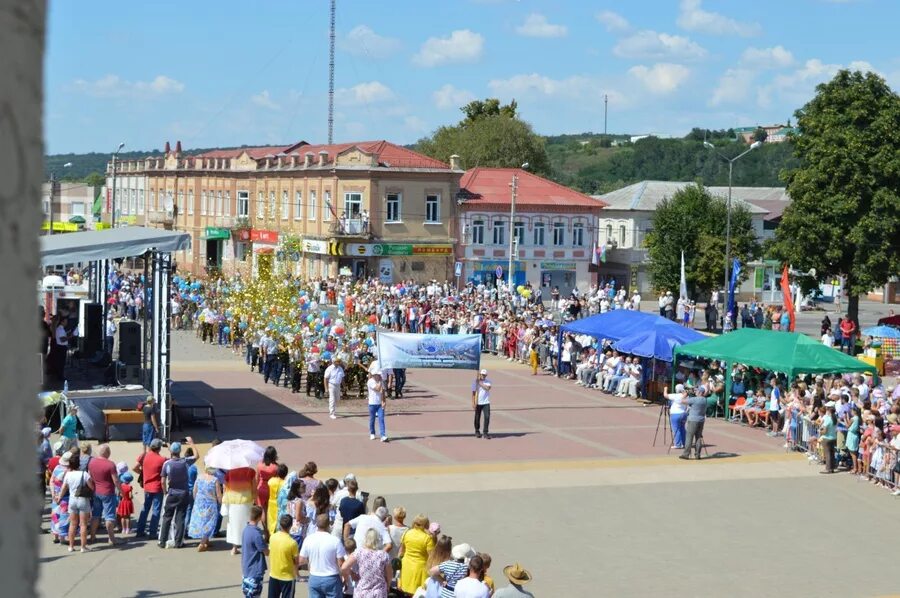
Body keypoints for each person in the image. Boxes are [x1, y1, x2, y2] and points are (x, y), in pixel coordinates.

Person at [299, 513, 347, 598]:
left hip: (314, 577)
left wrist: (313, 559)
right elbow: (341, 564)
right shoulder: (335, 540)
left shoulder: (308, 539)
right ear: (329, 524)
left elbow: (301, 560)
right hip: (331, 578)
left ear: (317, 524)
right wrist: (345, 579)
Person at [158, 440, 192, 549]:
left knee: (167, 517)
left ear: (171, 451)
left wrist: (165, 492)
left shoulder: (167, 464)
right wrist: (191, 443)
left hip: (172, 492)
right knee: (180, 517)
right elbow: (197, 455)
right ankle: (178, 542)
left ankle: (162, 541)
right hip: (184, 492)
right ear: (180, 451)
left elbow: (162, 481)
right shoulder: (185, 462)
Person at [341, 528, 392, 598]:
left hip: (362, 592)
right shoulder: (384, 555)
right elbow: (389, 574)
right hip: (378, 592)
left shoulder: (359, 552)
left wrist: (352, 574)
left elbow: (344, 567)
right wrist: (388, 585)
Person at [60, 452, 94, 553]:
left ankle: (71, 546)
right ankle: (83, 547)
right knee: (83, 524)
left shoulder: (68, 474)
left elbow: (64, 488)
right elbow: (92, 487)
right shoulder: (85, 474)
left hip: (72, 500)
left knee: (73, 524)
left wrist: (59, 498)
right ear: (79, 464)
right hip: (83, 499)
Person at [88, 443, 121, 545]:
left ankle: (92, 536)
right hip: (108, 492)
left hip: (96, 491)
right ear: (107, 453)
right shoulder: (110, 464)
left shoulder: (91, 462)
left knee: (96, 515)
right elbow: (115, 480)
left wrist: (92, 488)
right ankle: (111, 539)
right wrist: (121, 491)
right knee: (109, 517)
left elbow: (89, 477)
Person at [134, 438, 166, 538]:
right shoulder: (162, 459)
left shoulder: (144, 456)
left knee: (145, 508)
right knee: (156, 510)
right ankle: (152, 533)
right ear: (159, 448)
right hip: (157, 488)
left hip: (147, 487)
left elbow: (135, 468)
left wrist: (143, 473)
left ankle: (140, 531)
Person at [224, 465, 258, 555]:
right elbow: (254, 487)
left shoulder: (229, 472)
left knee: (233, 524)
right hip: (246, 500)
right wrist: (255, 499)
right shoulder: (250, 471)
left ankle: (234, 548)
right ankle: (247, 548)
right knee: (246, 523)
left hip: (233, 501)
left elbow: (225, 486)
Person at [398, 514, 435, 595]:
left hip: (406, 566)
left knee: (406, 592)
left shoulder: (407, 533)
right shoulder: (427, 538)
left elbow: (401, 551)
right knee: (418, 593)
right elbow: (431, 556)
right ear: (426, 524)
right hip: (420, 569)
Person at [188, 466, 223, 552]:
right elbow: (218, 494)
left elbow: (194, 491)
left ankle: (206, 540)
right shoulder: (215, 480)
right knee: (209, 523)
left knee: (201, 522)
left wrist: (196, 500)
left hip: (199, 503)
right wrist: (221, 502)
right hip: (211, 504)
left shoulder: (199, 477)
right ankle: (202, 543)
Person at [269, 514, 300, 598]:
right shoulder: (292, 543)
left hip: (274, 575)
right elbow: (297, 561)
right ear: (290, 526)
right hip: (288, 578)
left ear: (280, 524)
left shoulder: (272, 537)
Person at [241, 505, 269, 598]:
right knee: (255, 595)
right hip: (255, 570)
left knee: (248, 594)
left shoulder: (246, 530)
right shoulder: (256, 534)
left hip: (247, 568)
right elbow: (266, 552)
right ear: (259, 517)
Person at [679, 390, 707, 460]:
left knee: (689, 437)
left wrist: (685, 395)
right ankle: (697, 454)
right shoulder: (705, 399)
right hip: (701, 420)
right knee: (698, 437)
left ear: (700, 392)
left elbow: (682, 401)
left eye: (696, 391)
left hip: (693, 420)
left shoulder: (694, 399)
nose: (695, 392)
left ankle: (686, 454)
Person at [267, 464, 288, 536]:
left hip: (271, 502)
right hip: (281, 503)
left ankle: (271, 535)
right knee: (280, 519)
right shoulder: (285, 483)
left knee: (272, 520)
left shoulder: (271, 481)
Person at [367, 371, 388, 442]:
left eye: (380, 375)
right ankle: (372, 433)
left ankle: (383, 435)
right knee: (372, 419)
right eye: (378, 375)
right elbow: (377, 389)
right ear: (374, 375)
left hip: (379, 404)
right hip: (372, 404)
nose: (379, 376)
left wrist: (384, 401)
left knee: (381, 419)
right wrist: (380, 382)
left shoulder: (381, 382)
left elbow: (383, 392)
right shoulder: (370, 381)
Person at [472, 369, 492, 439]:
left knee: (487, 416)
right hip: (478, 402)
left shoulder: (488, 382)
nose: (483, 376)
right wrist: (473, 403)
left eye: (484, 375)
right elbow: (473, 393)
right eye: (481, 374)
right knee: (477, 417)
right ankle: (477, 431)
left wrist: (480, 383)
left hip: (486, 402)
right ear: (479, 374)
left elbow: (487, 388)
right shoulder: (475, 382)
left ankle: (485, 432)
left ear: (486, 375)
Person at [669, 384, 688, 450]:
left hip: (675, 414)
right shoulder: (685, 396)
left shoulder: (675, 395)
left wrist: (665, 390)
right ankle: (683, 443)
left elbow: (665, 395)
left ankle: (678, 444)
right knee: (682, 428)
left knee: (676, 429)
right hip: (683, 414)